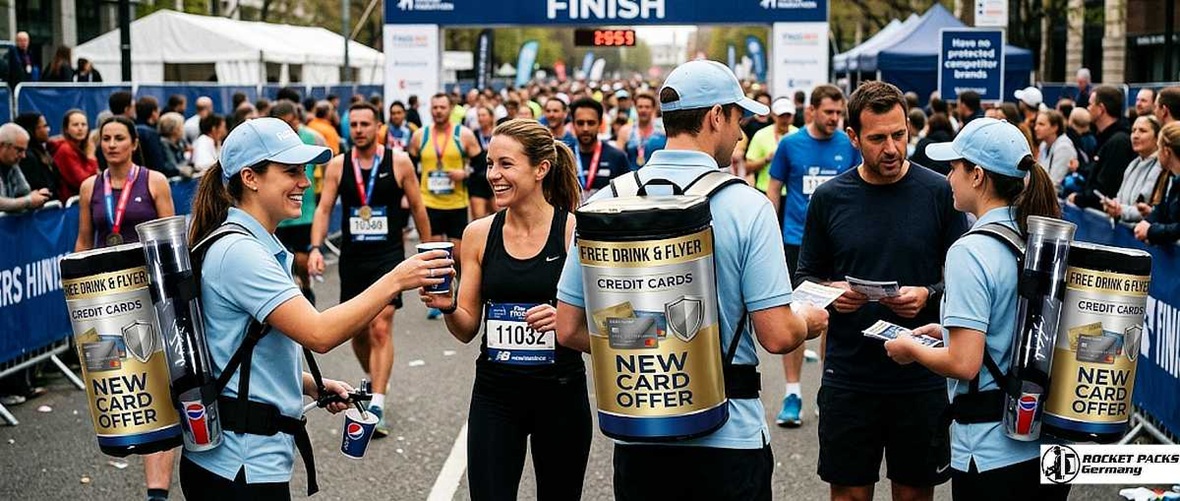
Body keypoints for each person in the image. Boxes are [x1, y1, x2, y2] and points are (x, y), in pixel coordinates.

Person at [555, 60, 828, 501]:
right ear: (715, 117)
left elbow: (567, 328)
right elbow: (777, 336)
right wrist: (811, 320)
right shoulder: (748, 205)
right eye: (738, 118)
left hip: (639, 429)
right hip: (729, 434)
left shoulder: (606, 200)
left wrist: (652, 338)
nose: (740, 134)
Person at [178, 116, 451, 499]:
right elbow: (319, 334)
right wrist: (397, 279)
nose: (305, 182)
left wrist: (310, 384)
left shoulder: (244, 242)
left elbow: (239, 349)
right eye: (291, 171)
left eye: (304, 171)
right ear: (250, 178)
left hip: (242, 461)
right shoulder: (240, 251)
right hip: (241, 465)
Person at [796, 81, 967, 501]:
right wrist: (831, 291)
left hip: (921, 373)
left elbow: (963, 279)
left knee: (912, 494)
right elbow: (804, 279)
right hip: (850, 374)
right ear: (853, 137)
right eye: (877, 138)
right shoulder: (830, 197)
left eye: (899, 134)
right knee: (850, 495)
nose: (891, 148)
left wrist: (928, 293)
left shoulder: (940, 191)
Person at [884, 117, 1071, 501]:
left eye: (954, 167)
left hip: (989, 451)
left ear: (977, 176)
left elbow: (964, 364)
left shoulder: (970, 251)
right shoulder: (1035, 237)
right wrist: (945, 330)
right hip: (1043, 445)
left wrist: (910, 349)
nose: (948, 176)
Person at [420, 118, 591, 500]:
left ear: (541, 169)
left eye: (505, 164)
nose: (493, 175)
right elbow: (466, 328)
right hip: (496, 396)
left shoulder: (574, 233)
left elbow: (609, 332)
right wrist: (448, 305)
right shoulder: (478, 234)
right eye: (489, 164)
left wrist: (566, 322)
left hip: (560, 394)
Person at [309, 102, 432, 437]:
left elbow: (418, 207)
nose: (359, 129)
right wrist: (317, 248)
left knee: (381, 327)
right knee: (358, 333)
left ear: (378, 127)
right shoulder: (338, 165)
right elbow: (323, 209)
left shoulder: (399, 161)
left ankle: (376, 401)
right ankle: (377, 381)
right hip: (353, 259)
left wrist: (431, 249)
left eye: (366, 124)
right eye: (354, 124)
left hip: (388, 255)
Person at [73, 116, 177, 501]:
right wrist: (76, 301)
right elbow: (84, 242)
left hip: (148, 300)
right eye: (106, 139)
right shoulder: (89, 187)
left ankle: (157, 492)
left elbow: (169, 238)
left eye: (119, 138)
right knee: (120, 391)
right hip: (103, 307)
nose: (112, 144)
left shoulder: (154, 181)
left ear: (134, 143)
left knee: (159, 391)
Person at [766, 84, 861, 427]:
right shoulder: (790, 145)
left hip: (837, 244)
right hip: (795, 241)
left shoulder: (848, 145)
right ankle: (792, 393)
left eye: (839, 113)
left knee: (830, 318)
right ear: (812, 112)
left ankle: (826, 388)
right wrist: (771, 232)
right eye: (829, 113)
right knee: (795, 317)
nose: (835, 119)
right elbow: (774, 188)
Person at [408, 93, 483, 319]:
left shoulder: (464, 135)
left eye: (442, 107)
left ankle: (463, 292)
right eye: (434, 107)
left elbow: (481, 165)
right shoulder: (420, 136)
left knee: (458, 255)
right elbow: (410, 167)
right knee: (435, 255)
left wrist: (465, 173)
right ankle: (436, 298)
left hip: (456, 203)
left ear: (450, 108)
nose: (438, 111)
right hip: (429, 202)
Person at [270, 100, 321, 307]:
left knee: (301, 259)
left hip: (305, 210)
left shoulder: (311, 137)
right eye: (285, 124)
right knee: (279, 262)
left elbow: (320, 170)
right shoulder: (270, 143)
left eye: (293, 123)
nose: (291, 128)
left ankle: (306, 287)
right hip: (278, 215)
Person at [1070, 86, 1135, 210]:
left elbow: (1106, 186)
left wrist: (1080, 199)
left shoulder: (1118, 142)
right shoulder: (1103, 138)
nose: (1087, 108)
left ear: (1101, 109)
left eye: (1090, 105)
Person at [567, 97, 629, 201]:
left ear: (600, 123)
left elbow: (626, 196)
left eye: (591, 123)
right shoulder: (564, 157)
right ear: (573, 124)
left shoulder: (617, 157)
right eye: (580, 123)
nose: (585, 129)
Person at [1134, 122, 1180, 245]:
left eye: (1158, 147)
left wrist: (1151, 231)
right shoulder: (1171, 178)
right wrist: (1148, 222)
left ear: (1167, 152)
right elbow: (1163, 209)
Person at [744, 97, 797, 194]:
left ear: (793, 116)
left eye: (788, 116)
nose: (785, 120)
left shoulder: (798, 135)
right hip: (765, 190)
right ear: (774, 116)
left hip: (792, 192)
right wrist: (766, 159)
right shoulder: (761, 135)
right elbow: (748, 167)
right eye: (781, 116)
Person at [0, 124, 50, 212]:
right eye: (19, 150)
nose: (23, 156)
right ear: (2, 146)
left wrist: (38, 196)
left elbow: (24, 191)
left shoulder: (12, 164)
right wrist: (28, 201)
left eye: (24, 150)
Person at [14, 112, 61, 200]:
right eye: (44, 126)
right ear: (31, 129)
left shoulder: (43, 152)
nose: (48, 130)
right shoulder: (27, 157)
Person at [54, 110, 98, 199]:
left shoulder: (83, 147)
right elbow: (83, 181)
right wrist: (91, 157)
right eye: (75, 125)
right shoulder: (66, 150)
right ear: (66, 129)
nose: (80, 128)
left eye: (83, 124)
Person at [617, 92, 667, 171]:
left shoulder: (663, 131)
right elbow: (618, 158)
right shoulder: (626, 131)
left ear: (653, 108)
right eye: (640, 107)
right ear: (635, 108)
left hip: (657, 176)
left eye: (647, 107)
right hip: (632, 178)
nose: (643, 110)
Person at [1034, 109, 1077, 187]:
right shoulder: (1043, 145)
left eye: (1041, 124)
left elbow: (1054, 182)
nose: (1036, 128)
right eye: (1036, 124)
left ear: (1055, 127)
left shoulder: (1064, 147)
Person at [469, 105, 497, 220]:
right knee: (479, 219)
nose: (481, 118)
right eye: (479, 116)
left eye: (483, 115)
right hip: (478, 179)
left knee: (498, 216)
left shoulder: (498, 134)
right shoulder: (473, 134)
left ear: (491, 117)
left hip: (495, 179)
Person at [134, 96, 174, 176]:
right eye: (157, 109)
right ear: (153, 113)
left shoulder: (132, 129)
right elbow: (158, 164)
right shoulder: (151, 134)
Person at [158, 112, 190, 177]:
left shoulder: (180, 143)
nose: (183, 129)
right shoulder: (163, 144)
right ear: (175, 130)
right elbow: (172, 166)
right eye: (182, 126)